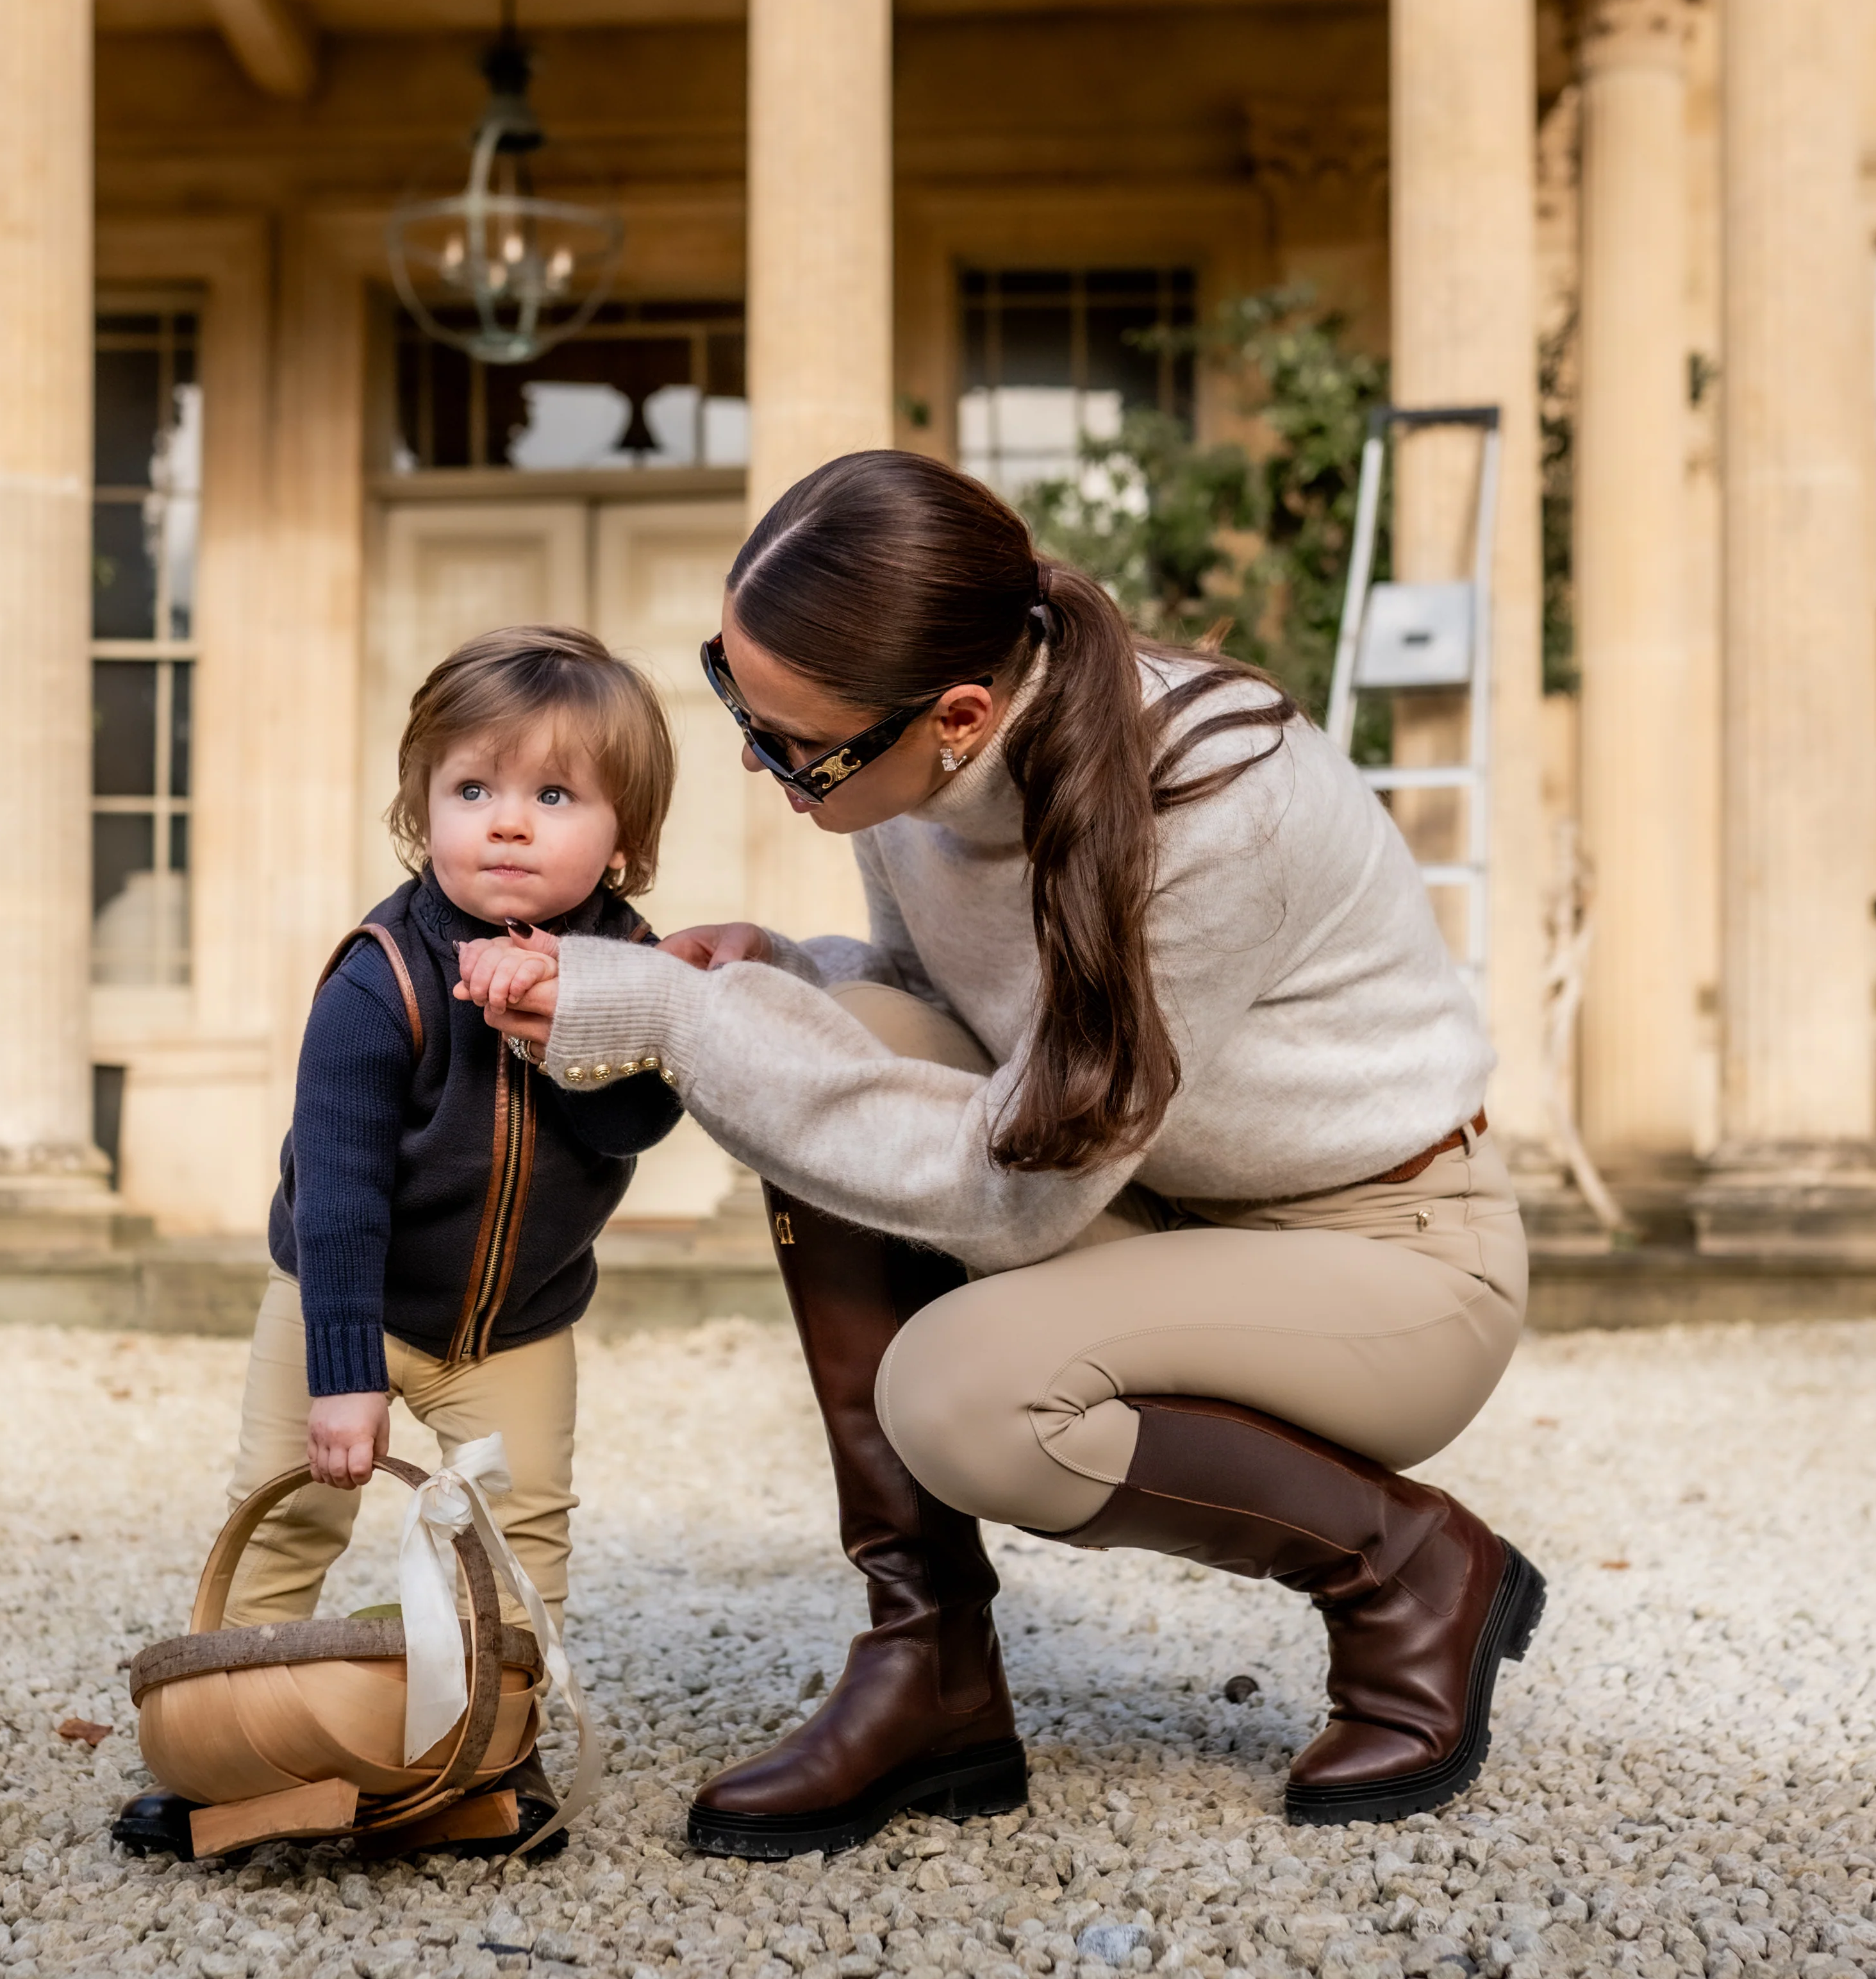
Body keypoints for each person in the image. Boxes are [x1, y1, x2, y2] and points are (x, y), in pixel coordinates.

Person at [462, 448, 1540, 1859]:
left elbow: (1012, 1190)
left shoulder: (1214, 805)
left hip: (1382, 1256)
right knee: (821, 1016)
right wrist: (777, 968)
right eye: (732, 694)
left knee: (966, 1399)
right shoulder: (911, 783)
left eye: (791, 740)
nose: (752, 757)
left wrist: (670, 1016)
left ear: (959, 714)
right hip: (1144, 1196)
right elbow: (934, 1009)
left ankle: (1409, 1567)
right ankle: (932, 1669)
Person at [219, 621, 684, 1632]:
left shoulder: (633, 964)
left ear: (626, 838)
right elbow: (338, 1196)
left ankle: (497, 1752)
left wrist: (569, 1027)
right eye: (474, 791)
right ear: (422, 813)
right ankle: (227, 1746)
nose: (508, 824)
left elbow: (637, 1123)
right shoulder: (378, 978)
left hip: (515, 1329)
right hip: (349, 1303)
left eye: (553, 797)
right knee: (285, 1518)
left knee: (520, 1543)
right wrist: (342, 1381)